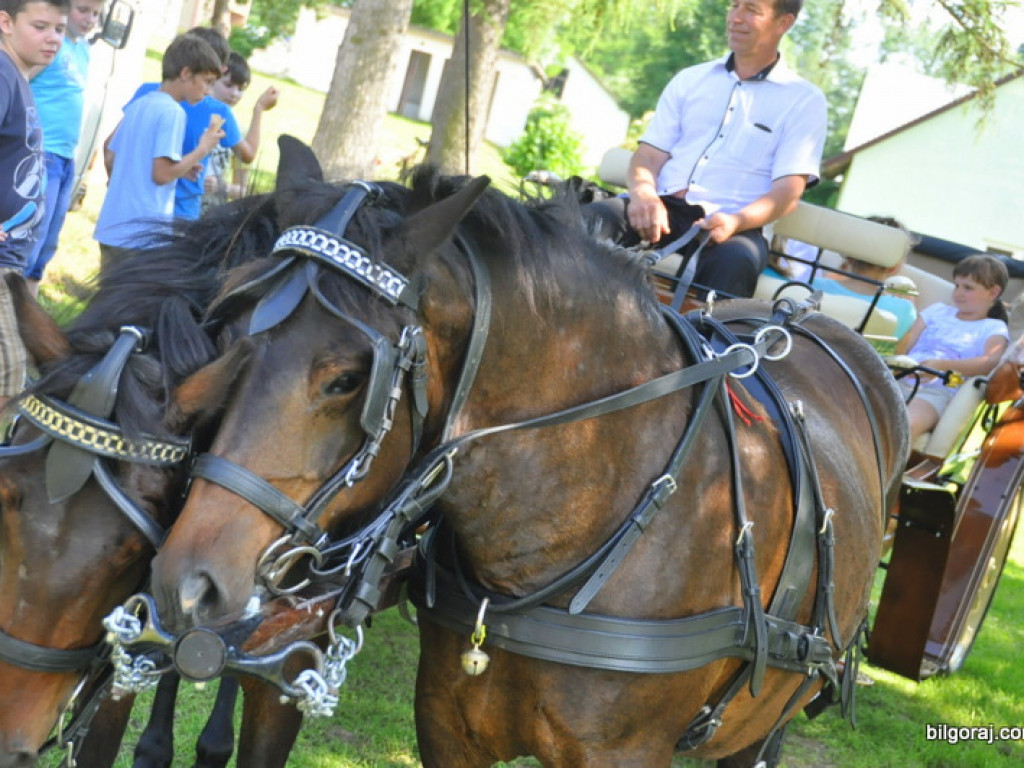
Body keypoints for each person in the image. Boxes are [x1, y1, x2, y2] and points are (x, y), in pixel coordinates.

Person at [587, 0, 827, 298]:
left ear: (784, 23)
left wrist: (737, 221)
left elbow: (787, 193)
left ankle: (702, 344)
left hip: (733, 226)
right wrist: (644, 195)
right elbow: (647, 157)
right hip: (662, 207)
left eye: (751, 10)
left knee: (735, 262)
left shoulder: (804, 101)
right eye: (734, 5)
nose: (736, 18)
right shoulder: (691, 79)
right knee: (586, 221)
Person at [93, 34, 224, 270]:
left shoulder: (141, 104)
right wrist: (202, 148)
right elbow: (161, 175)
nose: (208, 91)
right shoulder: (173, 113)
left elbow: (110, 152)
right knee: (131, 305)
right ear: (186, 73)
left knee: (107, 302)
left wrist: (181, 169)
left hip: (112, 225)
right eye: (207, 81)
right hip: (141, 236)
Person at [121, 28, 271, 220]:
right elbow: (247, 154)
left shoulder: (147, 92)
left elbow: (113, 149)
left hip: (135, 206)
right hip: (180, 215)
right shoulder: (217, 110)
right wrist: (259, 110)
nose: (234, 93)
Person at [0, 0, 66, 413]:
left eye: (59, 28)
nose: (53, 38)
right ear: (5, 22)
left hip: (12, 261)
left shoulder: (19, 77)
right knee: (10, 382)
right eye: (40, 26)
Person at [22, 0, 101, 298]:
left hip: (66, 158)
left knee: (46, 243)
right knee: (29, 238)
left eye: (96, 13)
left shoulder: (83, 50)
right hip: (40, 154)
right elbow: (22, 83)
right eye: (83, 10)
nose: (89, 19)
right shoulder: (48, 49)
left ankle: (28, 308)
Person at [896, 253, 1010, 444]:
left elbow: (990, 362)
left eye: (968, 288)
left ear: (993, 292)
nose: (957, 293)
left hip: (936, 392)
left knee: (904, 425)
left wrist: (941, 365)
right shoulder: (936, 311)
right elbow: (904, 345)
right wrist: (897, 365)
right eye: (957, 285)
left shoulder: (993, 327)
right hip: (900, 378)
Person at [811, 216, 919, 340]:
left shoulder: (813, 286)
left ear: (849, 256)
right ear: (894, 266)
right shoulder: (904, 310)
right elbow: (894, 355)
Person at [201, 50, 278, 213]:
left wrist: (220, 186)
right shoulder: (190, 115)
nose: (235, 94)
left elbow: (242, 191)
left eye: (241, 88)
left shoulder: (238, 134)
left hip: (210, 211)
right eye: (228, 85)